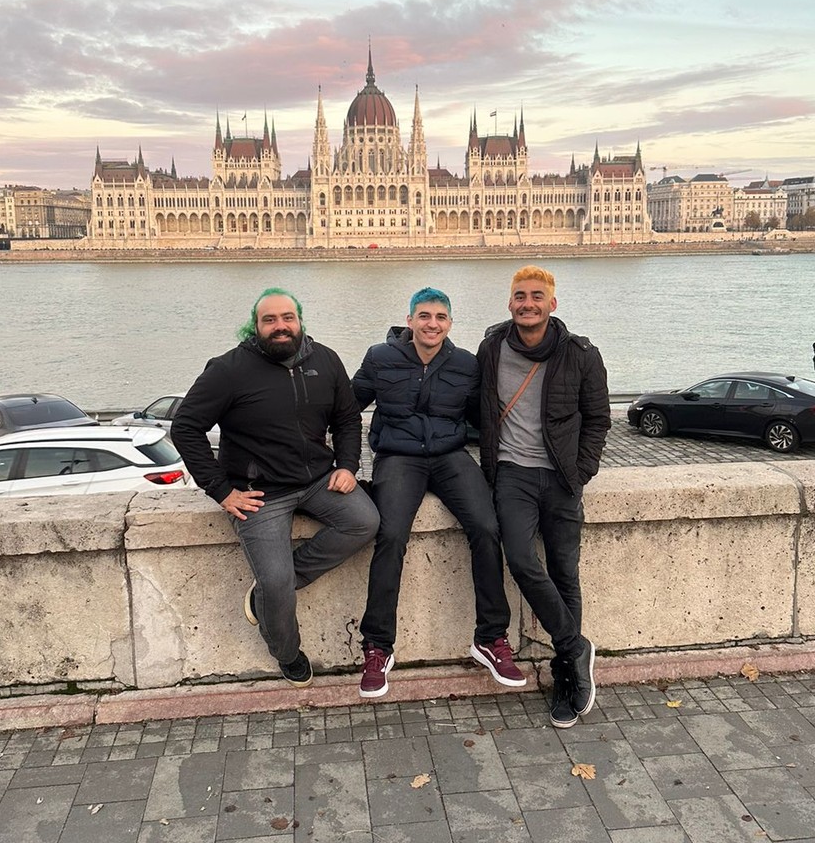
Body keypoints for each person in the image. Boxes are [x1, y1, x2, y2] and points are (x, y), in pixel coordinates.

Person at [170, 288, 379, 688]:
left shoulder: (326, 360)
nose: (280, 326)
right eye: (270, 320)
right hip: (258, 491)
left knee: (365, 521)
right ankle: (287, 652)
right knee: (278, 586)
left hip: (317, 480)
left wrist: (348, 465)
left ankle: (269, 588)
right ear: (256, 325)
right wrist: (220, 490)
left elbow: (348, 418)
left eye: (288, 318)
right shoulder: (228, 369)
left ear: (300, 321)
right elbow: (186, 427)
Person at [351, 288, 525, 697]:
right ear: (409, 320)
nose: (432, 324)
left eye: (441, 317)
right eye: (424, 316)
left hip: (449, 456)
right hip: (398, 457)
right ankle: (378, 646)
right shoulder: (380, 357)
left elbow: (484, 420)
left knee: (486, 526)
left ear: (450, 323)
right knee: (390, 535)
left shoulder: (466, 364)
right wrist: (338, 463)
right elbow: (345, 407)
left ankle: (490, 637)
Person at [476, 266, 611, 729]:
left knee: (564, 574)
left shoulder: (580, 353)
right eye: (519, 296)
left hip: (561, 477)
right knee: (519, 557)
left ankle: (565, 679)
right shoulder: (492, 346)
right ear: (509, 303)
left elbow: (598, 419)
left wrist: (583, 470)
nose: (527, 303)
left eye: (536, 296)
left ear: (552, 305)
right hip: (512, 473)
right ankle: (576, 648)